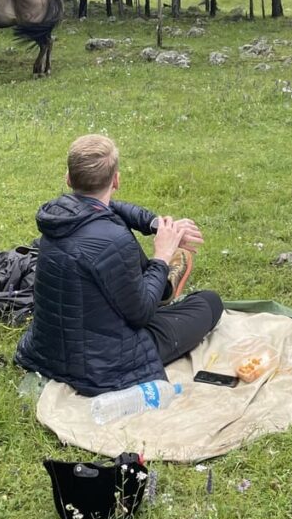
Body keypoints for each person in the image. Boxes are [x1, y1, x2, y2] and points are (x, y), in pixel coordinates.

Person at [15, 134, 223, 396]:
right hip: (104, 366)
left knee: (118, 239)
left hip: (46, 352)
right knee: (209, 302)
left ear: (69, 178)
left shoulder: (58, 216)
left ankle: (159, 285)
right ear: (116, 180)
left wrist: (155, 223)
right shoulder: (113, 239)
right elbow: (142, 315)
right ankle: (161, 283)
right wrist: (162, 255)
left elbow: (111, 207)